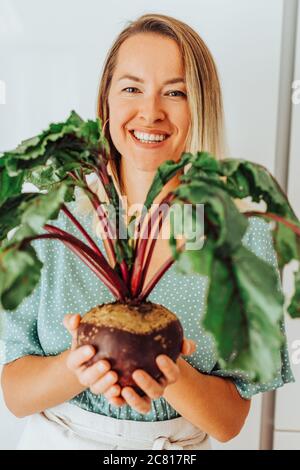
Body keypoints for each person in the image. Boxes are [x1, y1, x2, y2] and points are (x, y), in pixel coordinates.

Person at [0, 13, 295, 450]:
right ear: (107, 102)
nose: (151, 111)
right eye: (132, 88)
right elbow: (14, 394)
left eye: (175, 92)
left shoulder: (241, 232)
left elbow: (230, 421)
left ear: (201, 106)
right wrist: (77, 365)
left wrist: (169, 371)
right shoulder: (53, 218)